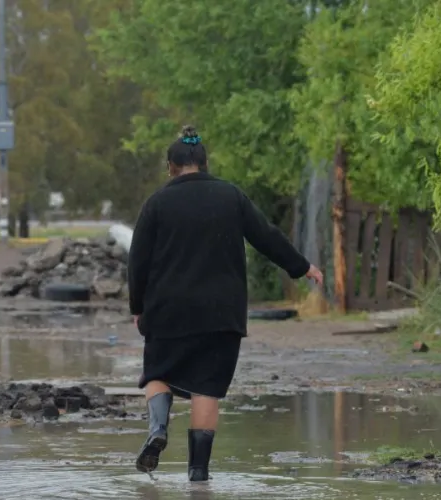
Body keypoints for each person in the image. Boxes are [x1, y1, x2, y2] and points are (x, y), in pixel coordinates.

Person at [127, 125, 324, 482]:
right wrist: (302, 266)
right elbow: (266, 236)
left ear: (170, 166)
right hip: (222, 313)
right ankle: (199, 477)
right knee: (206, 387)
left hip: (168, 310)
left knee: (157, 375)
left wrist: (138, 307)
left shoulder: (157, 202)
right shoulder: (230, 196)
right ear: (204, 163)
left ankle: (158, 429)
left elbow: (138, 261)